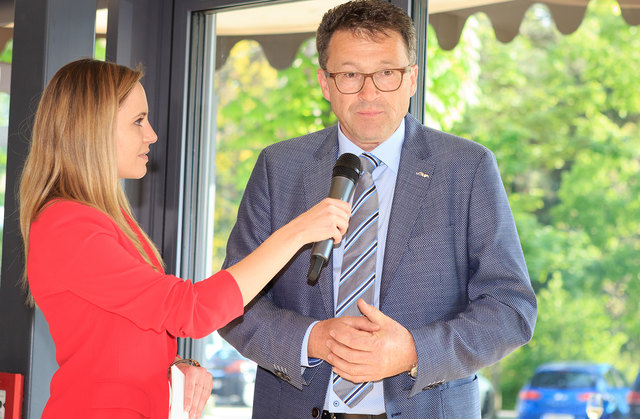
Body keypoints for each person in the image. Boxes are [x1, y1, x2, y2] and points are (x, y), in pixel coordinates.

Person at [218, 1, 538, 418]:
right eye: (350, 75)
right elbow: (232, 303)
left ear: (411, 79)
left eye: (387, 73)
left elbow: (511, 308)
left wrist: (412, 351)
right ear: (324, 82)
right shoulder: (279, 168)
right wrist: (313, 339)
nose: (369, 93)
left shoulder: (468, 168)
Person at [19, 58, 351, 419]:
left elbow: (122, 331)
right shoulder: (66, 225)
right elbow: (191, 310)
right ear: (91, 130)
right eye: (137, 121)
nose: (151, 134)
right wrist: (297, 231)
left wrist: (175, 364)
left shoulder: (100, 220)